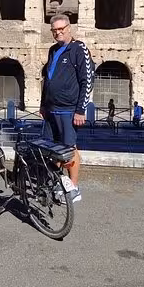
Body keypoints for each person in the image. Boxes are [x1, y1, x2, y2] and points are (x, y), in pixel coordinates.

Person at [40, 14, 94, 204]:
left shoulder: (79, 49)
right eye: (55, 30)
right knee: (52, 149)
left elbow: (87, 80)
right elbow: (47, 79)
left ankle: (73, 187)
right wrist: (42, 104)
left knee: (70, 149)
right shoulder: (53, 50)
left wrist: (81, 109)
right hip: (51, 109)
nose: (58, 33)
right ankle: (58, 183)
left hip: (69, 109)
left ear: (69, 28)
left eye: (61, 29)